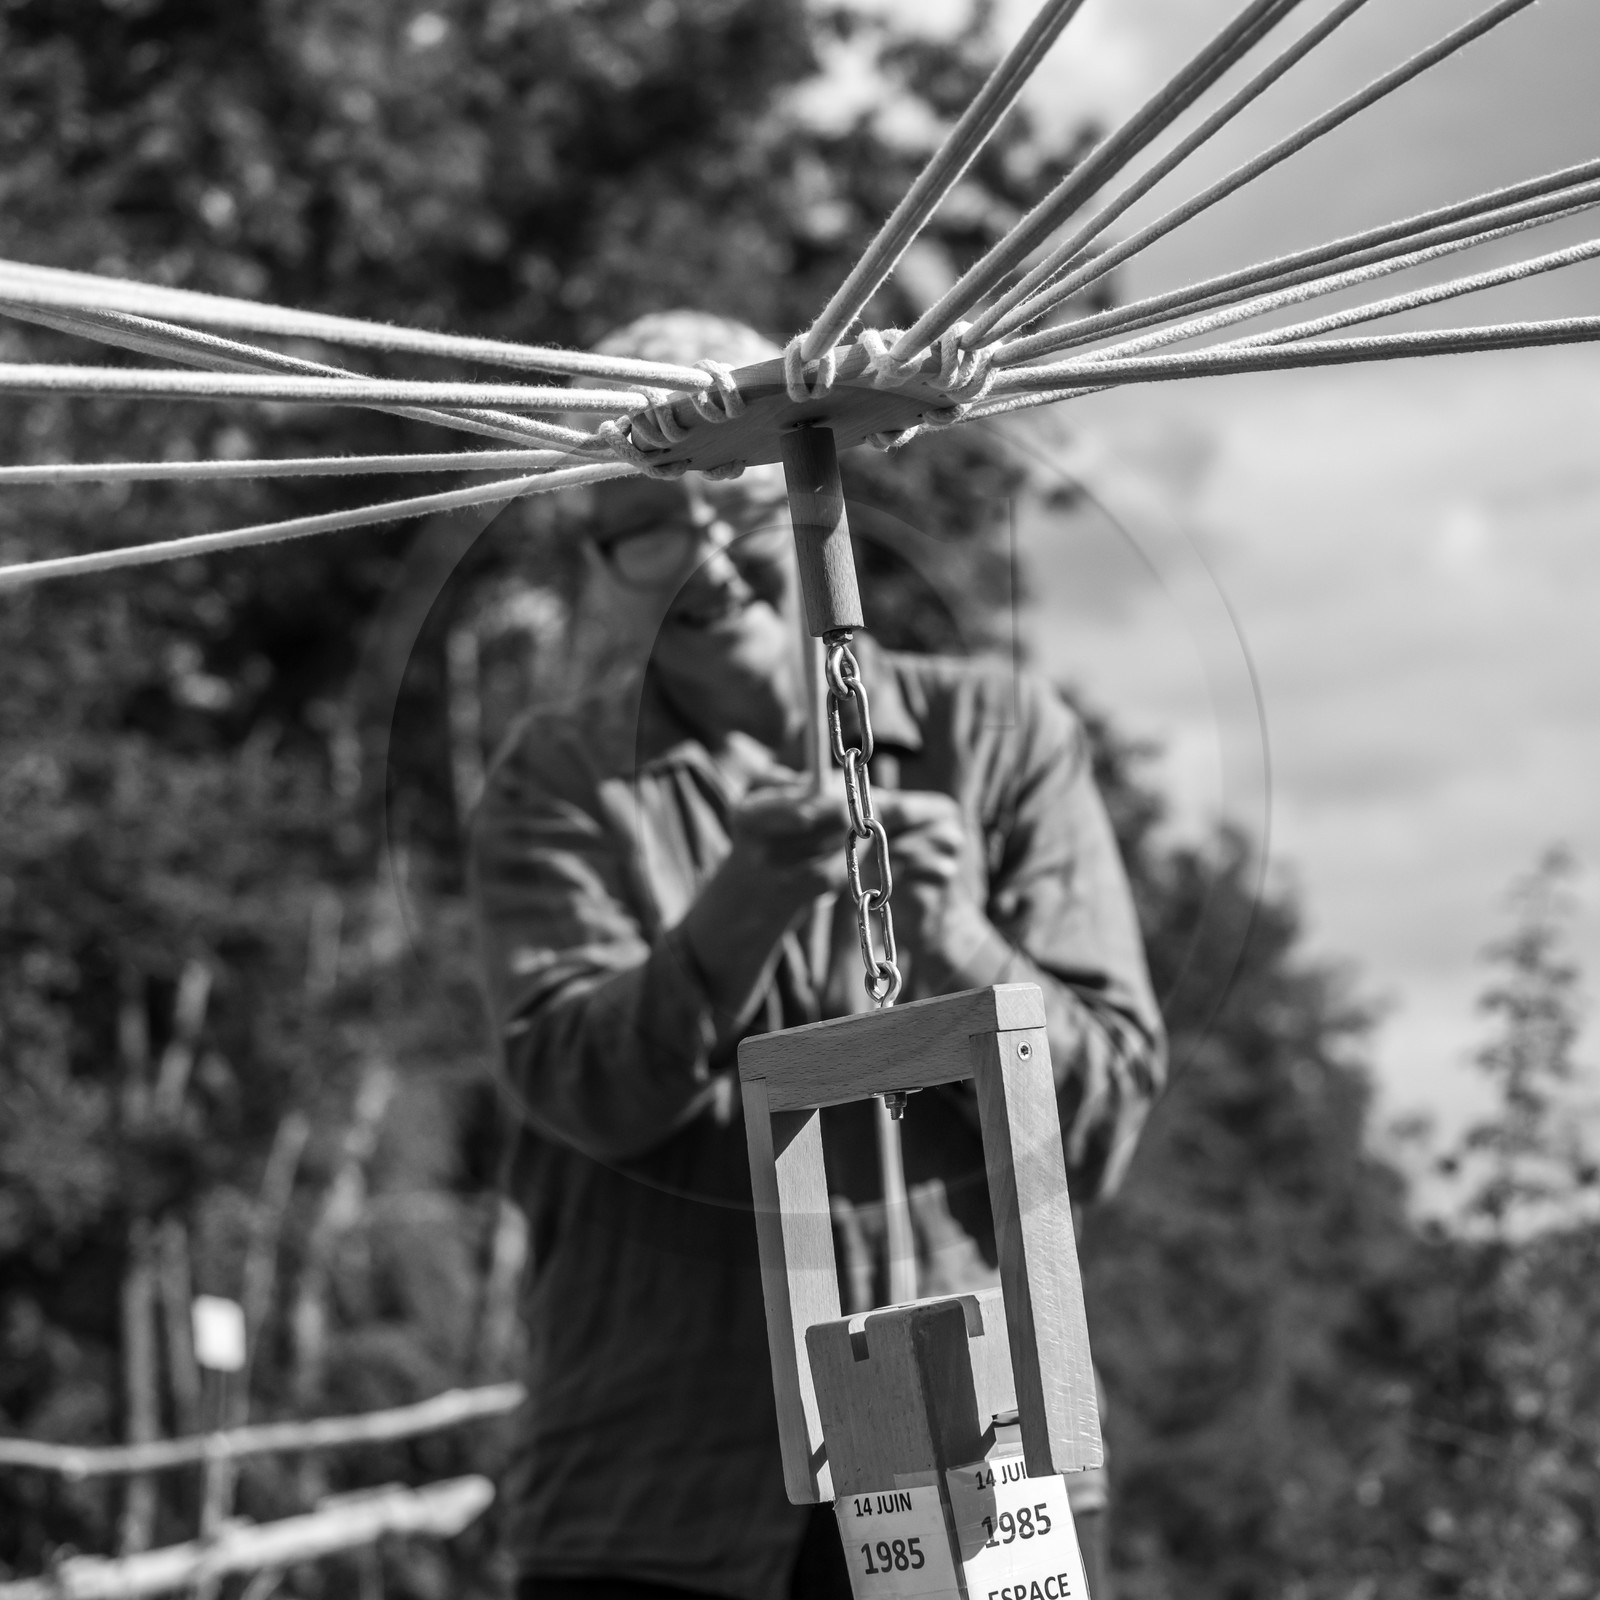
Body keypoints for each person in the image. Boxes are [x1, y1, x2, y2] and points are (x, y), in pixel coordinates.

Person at [469, 311, 1165, 1600]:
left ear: (810, 500)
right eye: (651, 530)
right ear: (598, 560)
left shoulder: (1000, 738)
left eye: (736, 513)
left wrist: (953, 937)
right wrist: (741, 910)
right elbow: (576, 1089)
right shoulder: (561, 781)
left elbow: (1106, 1111)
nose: (708, 568)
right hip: (650, 1486)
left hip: (974, 1452)